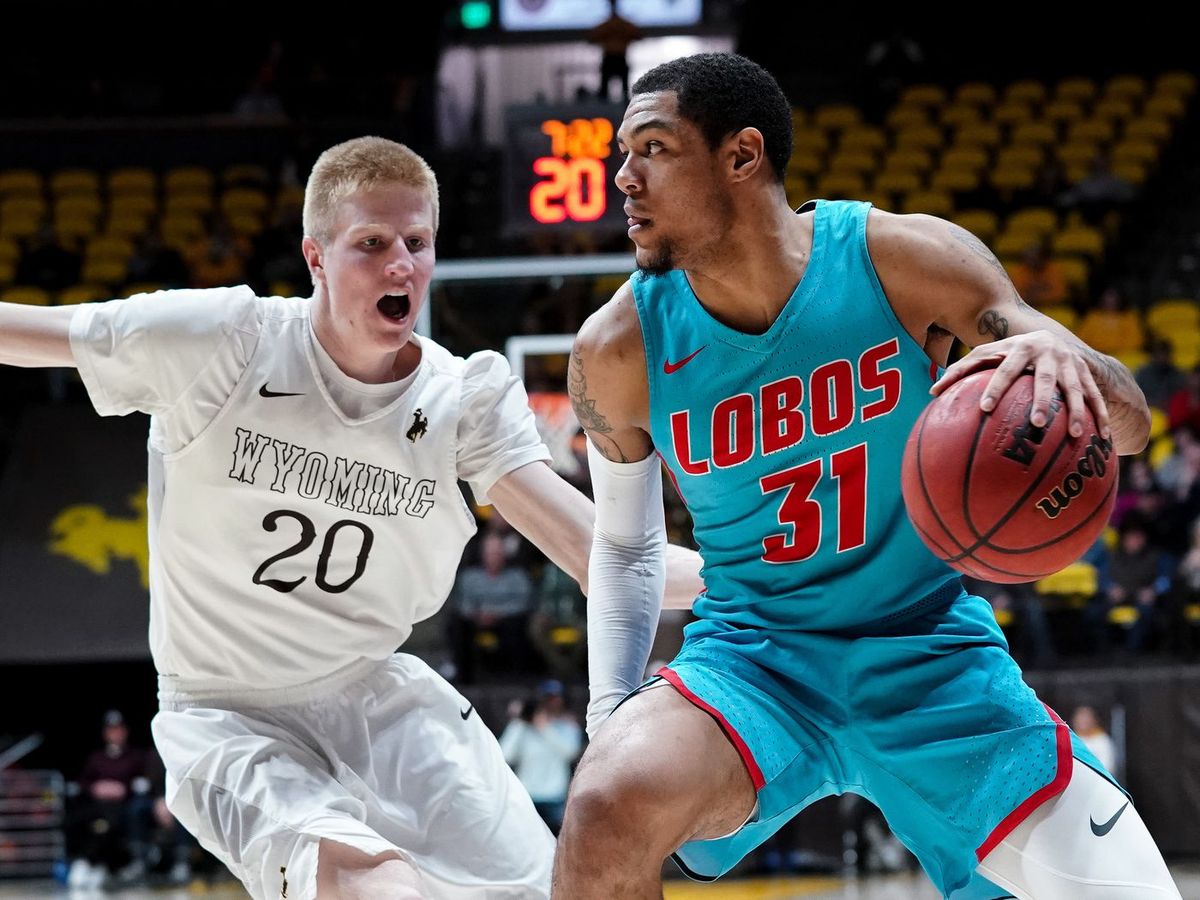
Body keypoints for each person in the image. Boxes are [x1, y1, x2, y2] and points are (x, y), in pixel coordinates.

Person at [0, 135, 704, 900]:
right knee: (377, 885)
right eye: (371, 243)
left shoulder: (461, 396)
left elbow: (606, 556)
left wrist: (781, 577)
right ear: (316, 258)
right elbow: (34, 335)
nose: (401, 263)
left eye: (417, 242)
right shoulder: (221, 343)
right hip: (227, 714)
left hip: (382, 698)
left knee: (552, 890)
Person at [553, 53, 1180, 899]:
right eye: (623, 156)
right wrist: (607, 717)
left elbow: (1133, 426)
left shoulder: (904, 259)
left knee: (1133, 891)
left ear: (743, 157)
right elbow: (628, 550)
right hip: (752, 660)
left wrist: (1062, 356)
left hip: (928, 646)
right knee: (602, 806)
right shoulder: (615, 348)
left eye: (653, 149)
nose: (623, 178)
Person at [498, 680, 583, 834]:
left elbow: (570, 753)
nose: (552, 703)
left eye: (555, 698)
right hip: (527, 795)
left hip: (554, 796)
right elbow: (505, 755)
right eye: (547, 699)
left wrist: (544, 727)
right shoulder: (521, 727)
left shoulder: (568, 727)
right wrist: (519, 722)